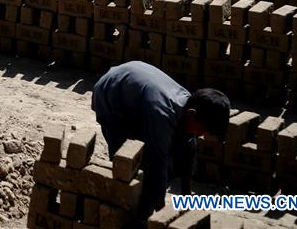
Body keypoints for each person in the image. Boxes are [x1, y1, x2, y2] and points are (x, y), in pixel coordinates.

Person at [91, 61, 230, 217]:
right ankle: (120, 212)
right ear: (191, 115)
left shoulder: (190, 107)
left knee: (167, 165)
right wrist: (162, 218)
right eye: (202, 130)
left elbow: (189, 153)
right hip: (111, 95)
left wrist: (187, 199)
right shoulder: (162, 114)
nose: (202, 135)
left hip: (138, 94)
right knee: (127, 166)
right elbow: (157, 163)